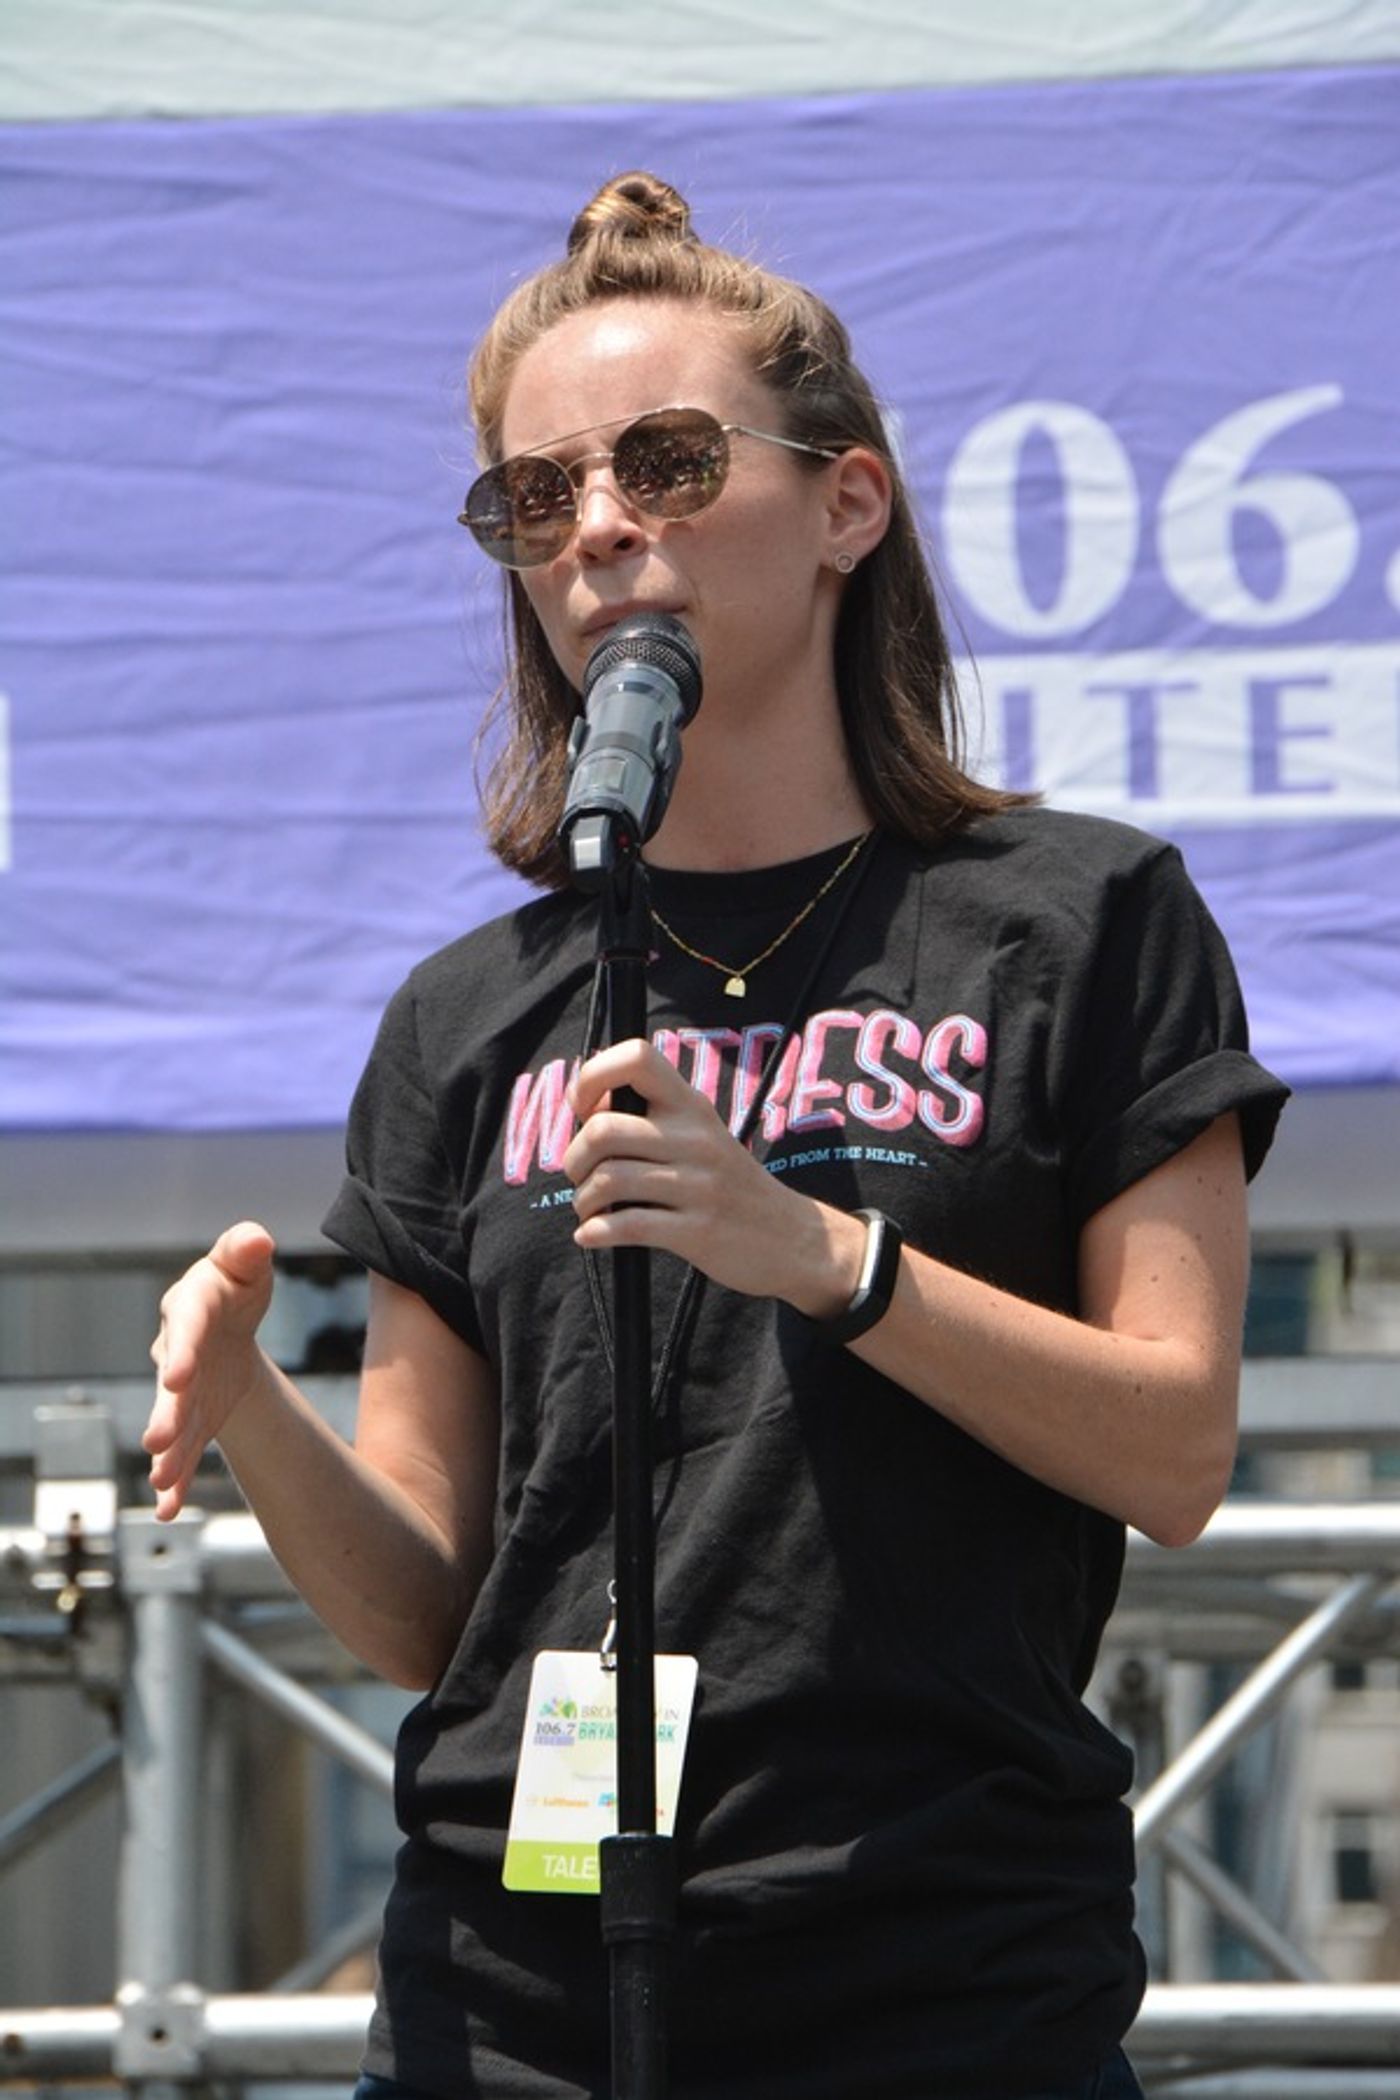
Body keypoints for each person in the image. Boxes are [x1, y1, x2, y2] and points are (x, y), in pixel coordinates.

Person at [146, 170, 1288, 2100]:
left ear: (848, 502)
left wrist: (828, 1259)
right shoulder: (469, 1013)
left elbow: (1171, 1448)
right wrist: (256, 1406)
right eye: (538, 495)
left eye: (668, 462)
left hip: (936, 1973)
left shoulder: (1077, 922)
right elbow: (432, 1607)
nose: (597, 526)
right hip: (511, 1984)